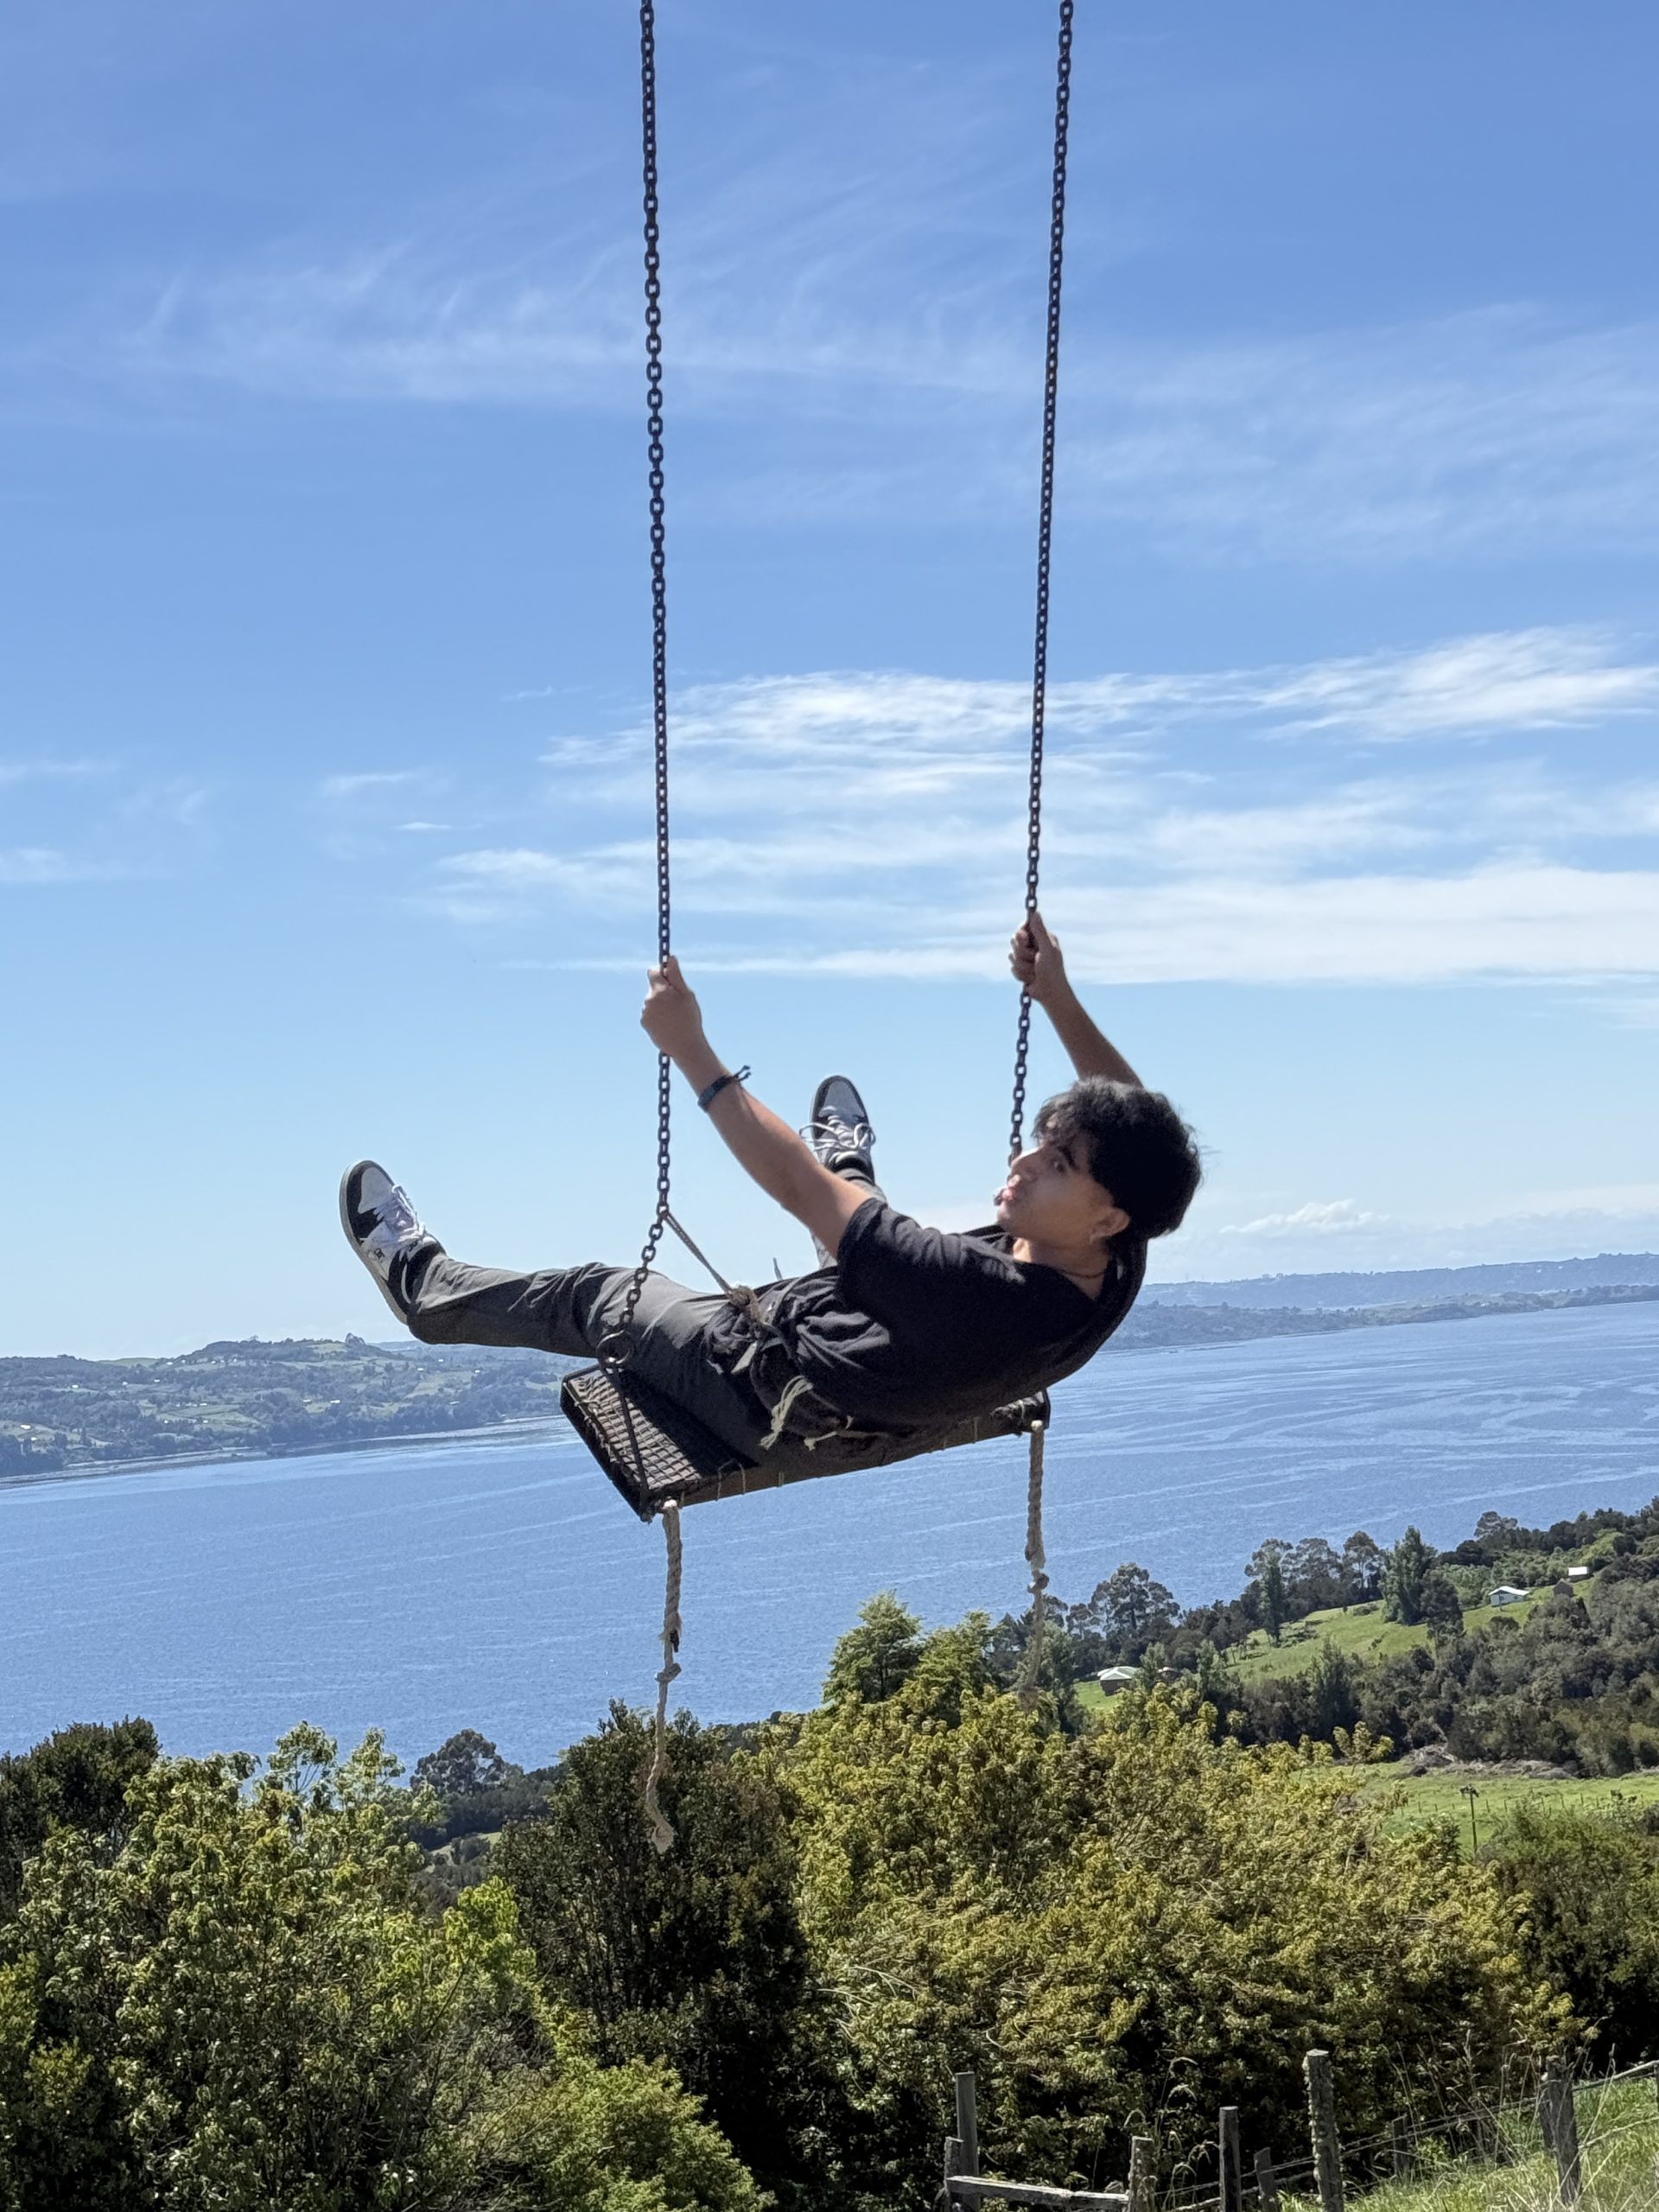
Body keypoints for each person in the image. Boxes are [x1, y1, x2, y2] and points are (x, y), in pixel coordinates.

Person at [340, 912, 1201, 1471]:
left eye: (1059, 1163)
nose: (1025, 1160)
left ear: (1108, 1214)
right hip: (887, 1382)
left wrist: (693, 1051)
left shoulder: (969, 1288)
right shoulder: (1115, 1255)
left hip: (762, 1396)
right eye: (1043, 1140)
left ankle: (426, 1290)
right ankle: (852, 1174)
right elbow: (1134, 1119)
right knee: (860, 1221)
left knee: (600, 1292)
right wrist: (1056, 996)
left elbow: (794, 1184)